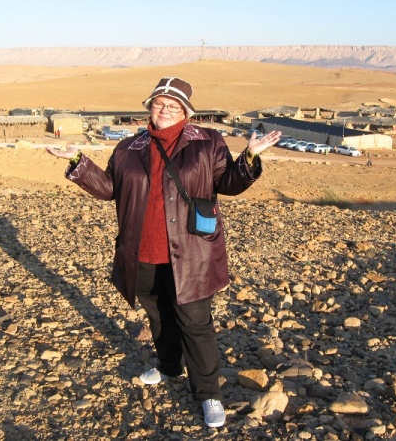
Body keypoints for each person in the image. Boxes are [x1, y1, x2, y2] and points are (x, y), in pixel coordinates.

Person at [46, 77, 281, 428]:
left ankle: (208, 393)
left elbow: (229, 184)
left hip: (192, 253)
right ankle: (170, 366)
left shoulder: (208, 143)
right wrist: (79, 162)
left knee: (195, 324)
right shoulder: (128, 147)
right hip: (141, 252)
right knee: (158, 316)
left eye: (174, 105)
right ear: (149, 107)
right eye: (159, 103)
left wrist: (249, 157)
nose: (165, 109)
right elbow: (109, 189)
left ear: (186, 112)